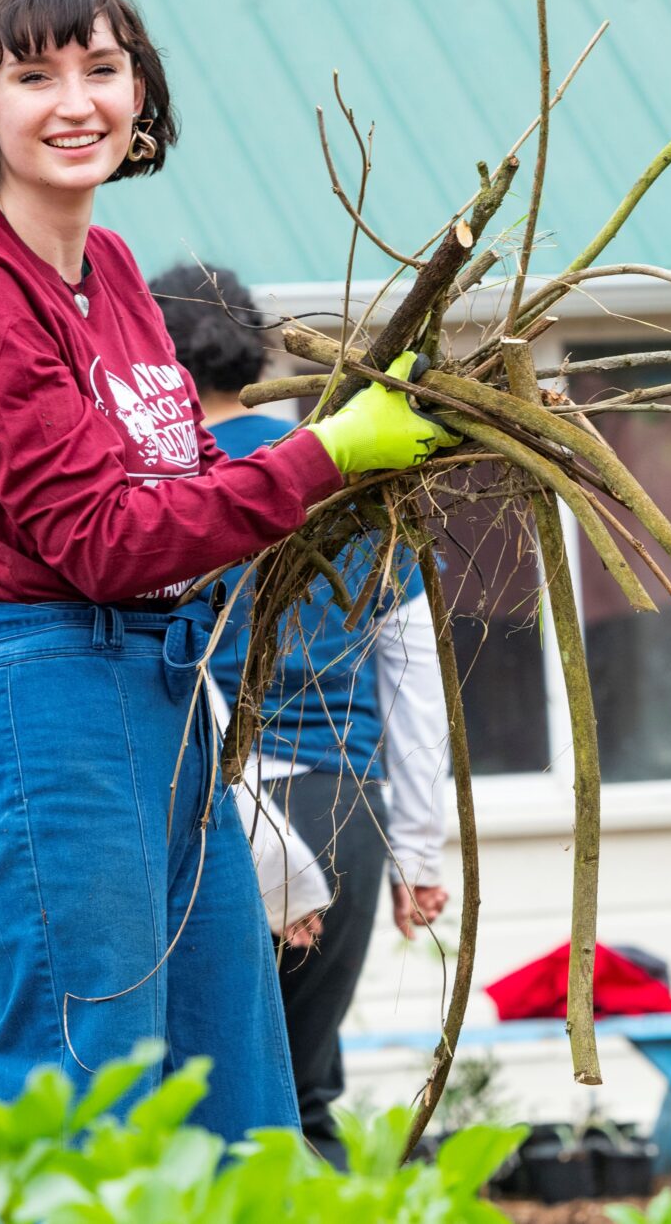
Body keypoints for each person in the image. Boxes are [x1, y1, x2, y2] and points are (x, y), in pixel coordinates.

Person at [0, 0, 453, 1139]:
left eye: (100, 68)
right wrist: (322, 457)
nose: (73, 100)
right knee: (101, 1115)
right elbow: (101, 540)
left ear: (140, 91)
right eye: (33, 76)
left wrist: (333, 482)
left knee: (243, 1114)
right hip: (53, 714)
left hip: (171, 706)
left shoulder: (121, 276)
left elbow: (185, 494)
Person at [156, 260, 454, 1168]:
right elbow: (413, 672)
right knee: (306, 1096)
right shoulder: (344, 476)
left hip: (226, 816)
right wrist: (419, 848)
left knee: (211, 1111)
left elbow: (175, 672)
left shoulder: (182, 487)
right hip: (348, 812)